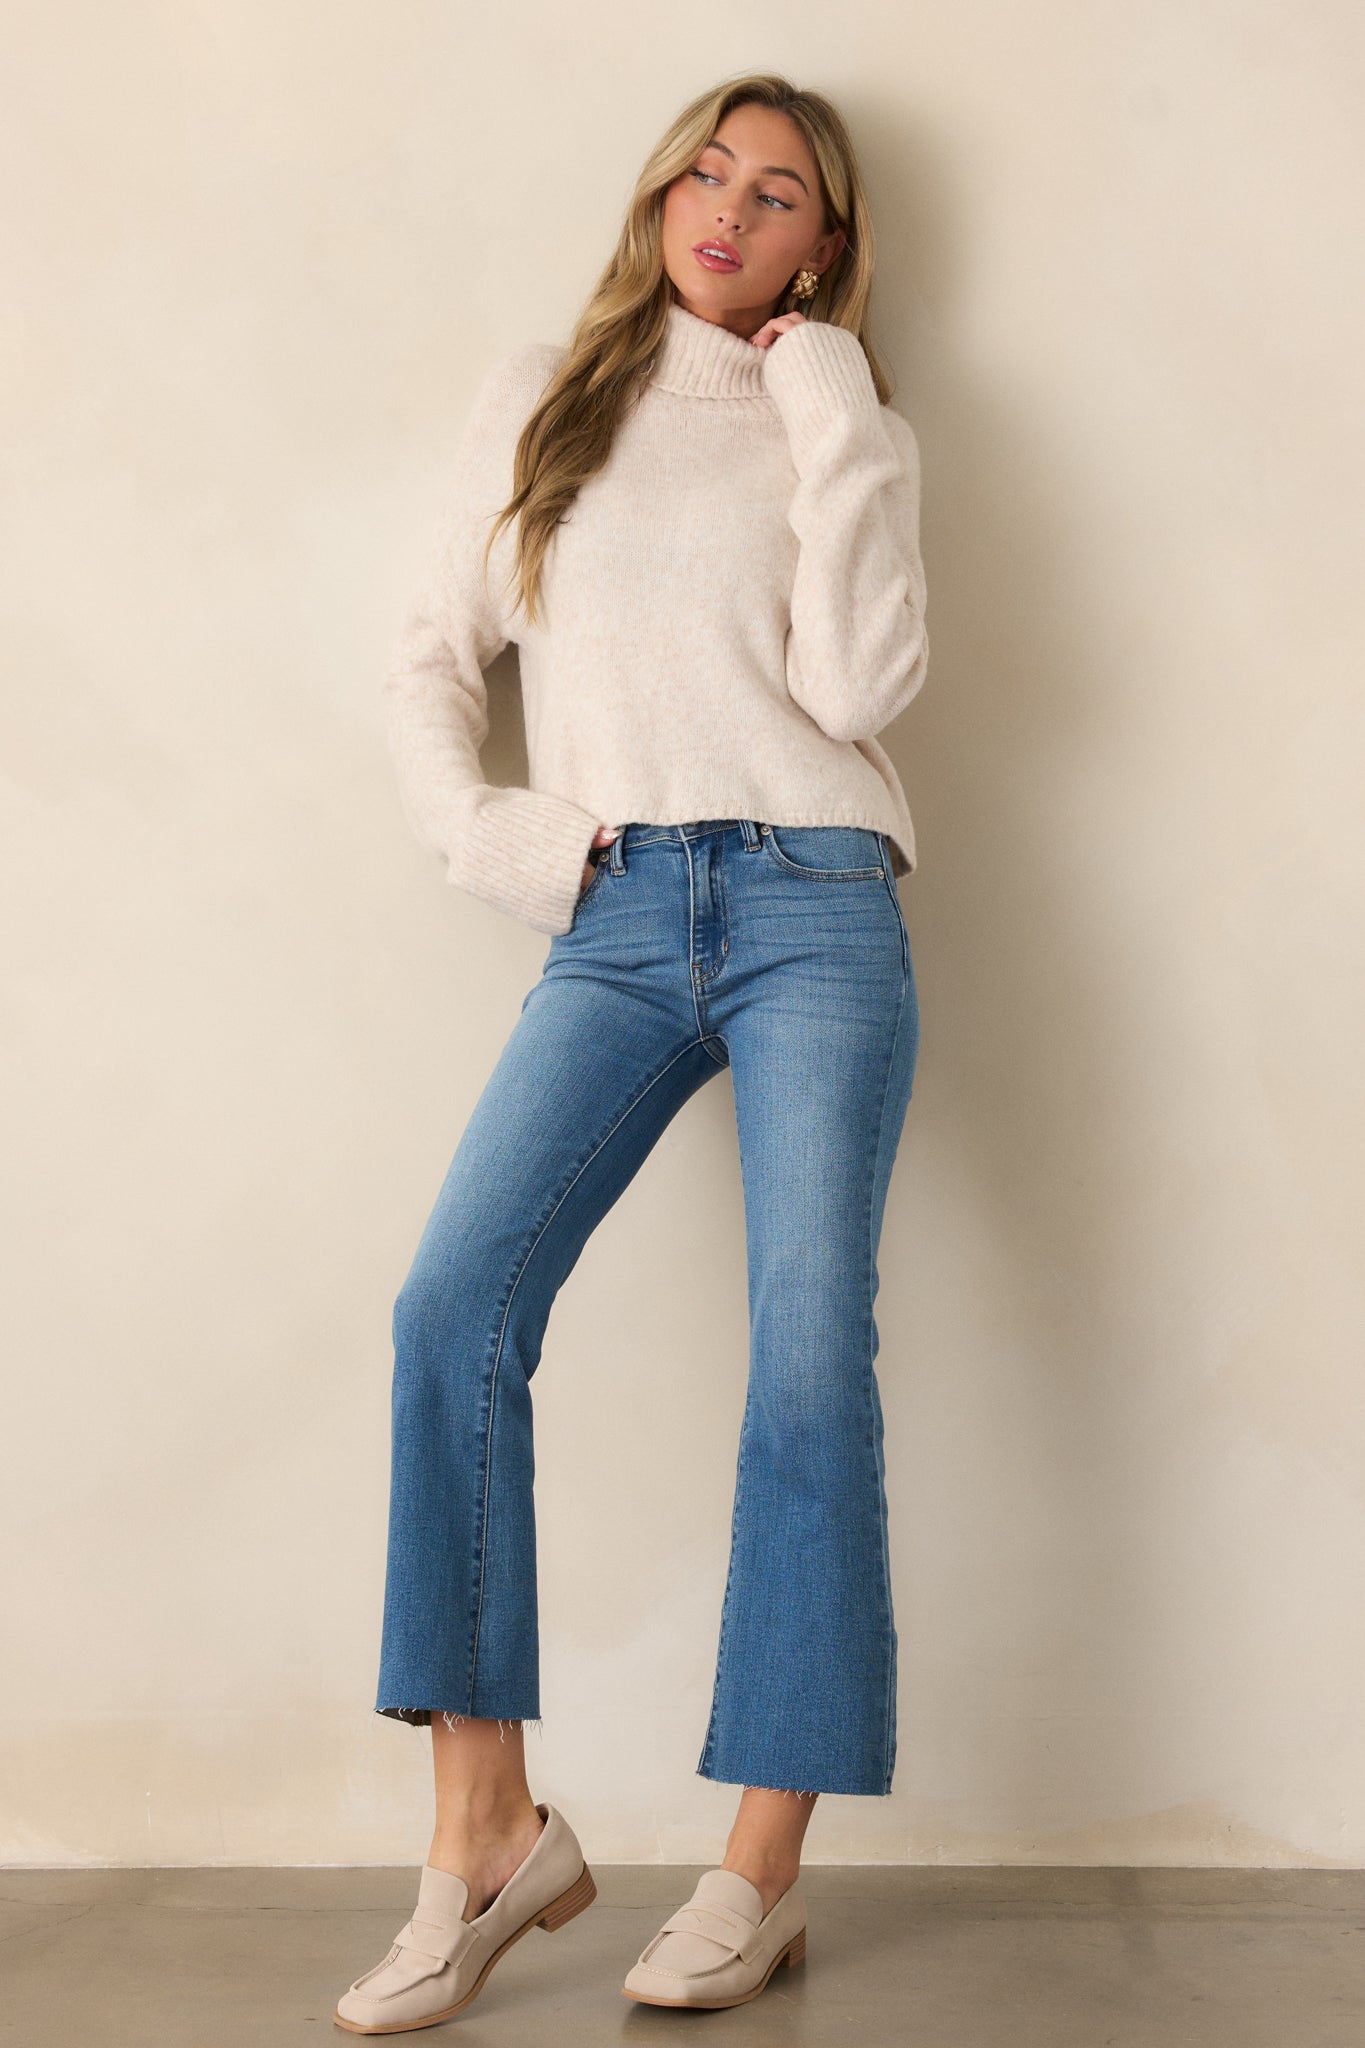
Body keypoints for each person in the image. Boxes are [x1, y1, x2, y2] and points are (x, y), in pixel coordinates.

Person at [334, 69, 929, 2031]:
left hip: (816, 900)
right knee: (452, 1307)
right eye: (707, 172)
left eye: (779, 194)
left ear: (820, 249)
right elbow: (428, 656)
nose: (729, 209)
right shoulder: (548, 394)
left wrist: (829, 403)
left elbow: (860, 682)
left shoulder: (839, 417)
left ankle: (756, 1870)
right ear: (662, 192)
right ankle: (485, 1831)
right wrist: (501, 840)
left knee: (804, 1354)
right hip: (612, 906)